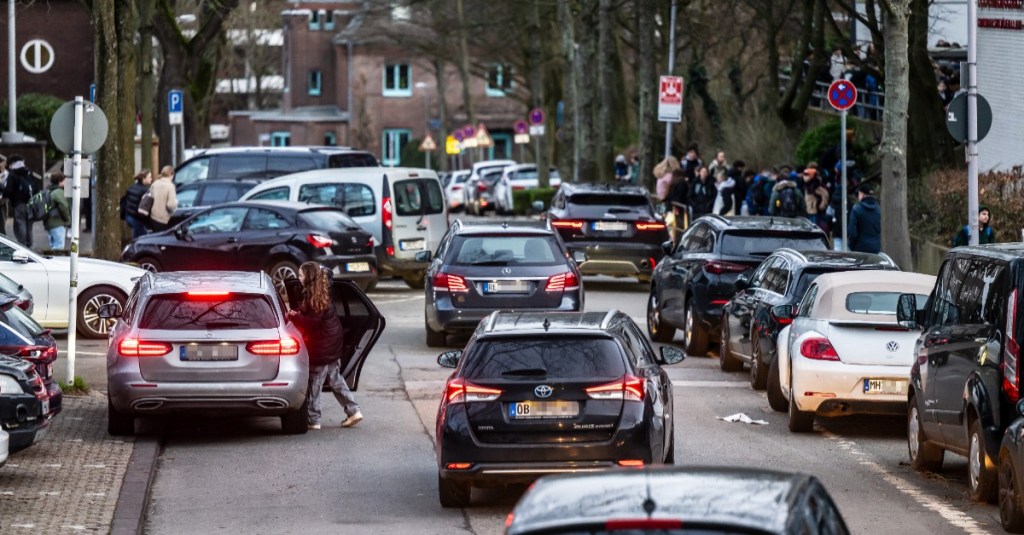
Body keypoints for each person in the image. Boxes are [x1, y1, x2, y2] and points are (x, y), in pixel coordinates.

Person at [287, 262, 363, 430]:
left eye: (300, 275)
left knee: (314, 383)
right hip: (333, 345)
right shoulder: (321, 292)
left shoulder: (312, 296)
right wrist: (298, 313)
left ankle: (314, 419)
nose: (298, 278)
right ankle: (353, 411)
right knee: (336, 380)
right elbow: (311, 314)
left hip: (322, 347)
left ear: (308, 277)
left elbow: (312, 323)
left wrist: (294, 317)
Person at [3, 155, 35, 246]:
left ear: (12, 163)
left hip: (19, 204)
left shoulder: (13, 174)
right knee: (29, 225)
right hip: (31, 203)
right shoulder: (29, 172)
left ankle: (23, 245)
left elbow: (8, 190)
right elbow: (36, 187)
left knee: (20, 224)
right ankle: (30, 245)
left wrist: (6, 196)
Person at [848, 184, 881, 254]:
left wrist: (852, 246)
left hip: (860, 248)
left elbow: (852, 232)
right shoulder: (879, 209)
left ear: (862, 194)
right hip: (875, 248)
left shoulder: (856, 209)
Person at [43, 172, 71, 250]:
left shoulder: (48, 190)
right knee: (59, 246)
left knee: (53, 246)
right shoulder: (58, 192)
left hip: (49, 222)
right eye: (64, 180)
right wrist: (67, 219)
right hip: (57, 223)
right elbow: (64, 206)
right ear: (60, 181)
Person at [122, 170, 152, 239]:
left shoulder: (132, 187)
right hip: (137, 219)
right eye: (150, 177)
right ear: (144, 179)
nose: (151, 179)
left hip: (129, 216)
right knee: (142, 238)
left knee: (138, 236)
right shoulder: (145, 190)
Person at [148, 166, 178, 232]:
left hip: (153, 216)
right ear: (171, 174)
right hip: (163, 218)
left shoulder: (155, 183)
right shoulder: (170, 186)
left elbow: (150, 198)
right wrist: (176, 202)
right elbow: (171, 205)